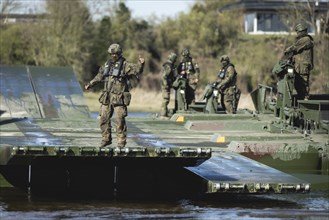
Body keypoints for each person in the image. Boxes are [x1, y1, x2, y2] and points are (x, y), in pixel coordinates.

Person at [85, 43, 145, 148]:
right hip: (107, 97)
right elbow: (99, 76)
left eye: (115, 54)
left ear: (119, 54)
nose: (113, 56)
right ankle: (106, 139)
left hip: (119, 97)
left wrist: (141, 64)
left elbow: (137, 70)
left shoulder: (125, 65)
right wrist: (90, 84)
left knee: (120, 120)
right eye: (111, 54)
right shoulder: (106, 65)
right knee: (103, 118)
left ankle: (121, 141)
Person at [284, 23, 314, 100]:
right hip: (299, 66)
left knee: (303, 83)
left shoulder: (306, 39)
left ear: (302, 31)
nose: (297, 34)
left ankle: (305, 98)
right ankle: (301, 97)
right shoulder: (304, 39)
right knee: (297, 83)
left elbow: (294, 47)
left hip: (303, 67)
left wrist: (287, 50)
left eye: (298, 32)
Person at [160, 52, 177, 118]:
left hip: (167, 84)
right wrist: (166, 84)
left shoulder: (169, 65)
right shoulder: (169, 66)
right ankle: (163, 115)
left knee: (166, 99)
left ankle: (165, 114)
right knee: (165, 99)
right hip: (165, 85)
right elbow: (164, 76)